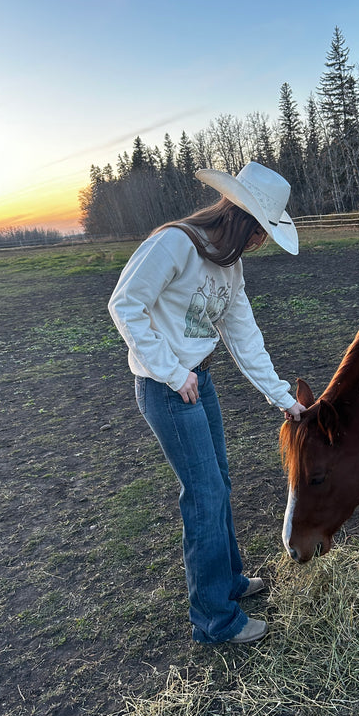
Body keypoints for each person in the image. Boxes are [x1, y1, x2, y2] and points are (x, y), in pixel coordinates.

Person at [108, 161, 306, 645]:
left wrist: (282, 396)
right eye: (260, 232)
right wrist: (173, 373)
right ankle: (215, 619)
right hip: (167, 387)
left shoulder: (229, 266)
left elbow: (243, 335)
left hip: (200, 379)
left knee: (219, 481)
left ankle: (230, 581)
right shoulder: (175, 243)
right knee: (204, 494)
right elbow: (124, 304)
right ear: (242, 220)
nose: (260, 243)